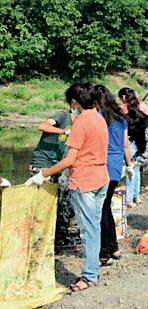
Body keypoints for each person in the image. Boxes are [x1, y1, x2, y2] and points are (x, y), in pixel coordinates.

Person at [25, 82, 109, 293]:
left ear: (74, 102)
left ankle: (89, 276)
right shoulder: (100, 118)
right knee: (95, 226)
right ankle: (93, 268)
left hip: (84, 182)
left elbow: (70, 160)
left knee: (87, 231)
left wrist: (43, 174)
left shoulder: (80, 123)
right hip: (101, 178)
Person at [29, 83, 79, 249]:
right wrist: (63, 131)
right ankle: (37, 237)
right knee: (41, 201)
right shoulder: (63, 116)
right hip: (42, 162)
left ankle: (57, 236)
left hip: (57, 165)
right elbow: (42, 126)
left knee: (61, 201)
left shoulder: (80, 124)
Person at [95, 85, 132, 266]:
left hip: (102, 166)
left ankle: (104, 253)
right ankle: (113, 247)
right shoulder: (121, 119)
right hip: (117, 166)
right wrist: (130, 164)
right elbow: (125, 145)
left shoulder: (99, 118)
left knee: (101, 208)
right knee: (106, 207)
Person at [118, 88, 148, 208]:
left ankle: (128, 199)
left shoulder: (124, 108)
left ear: (123, 97)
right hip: (141, 140)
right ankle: (136, 196)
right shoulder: (142, 105)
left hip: (130, 140)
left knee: (129, 168)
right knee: (136, 168)